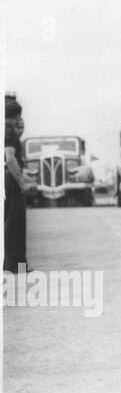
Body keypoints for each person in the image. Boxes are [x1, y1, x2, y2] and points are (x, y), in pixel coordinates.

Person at [4, 95, 32, 275]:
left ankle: (9, 264)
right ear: (14, 116)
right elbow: (10, 158)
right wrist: (22, 182)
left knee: (8, 222)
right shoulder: (9, 133)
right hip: (11, 181)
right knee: (16, 223)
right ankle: (17, 266)